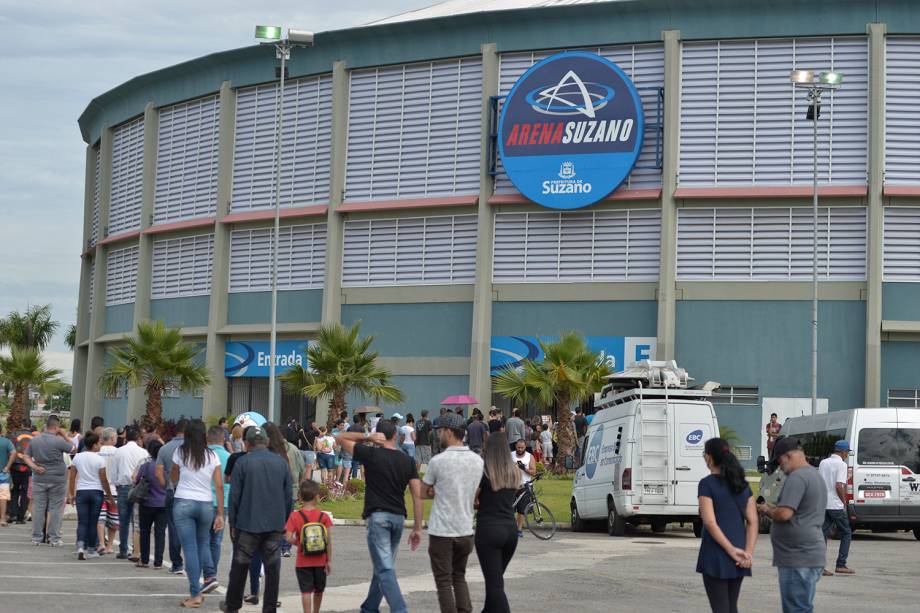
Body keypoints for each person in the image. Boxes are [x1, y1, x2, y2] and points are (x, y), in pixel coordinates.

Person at [335, 420, 424, 613]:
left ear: (379, 436)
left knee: (384, 568)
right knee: (383, 565)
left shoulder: (371, 454)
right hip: (398, 517)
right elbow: (418, 494)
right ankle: (369, 608)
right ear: (395, 436)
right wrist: (417, 527)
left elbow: (340, 437)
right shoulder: (406, 461)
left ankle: (400, 609)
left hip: (378, 517)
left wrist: (367, 436)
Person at [222, 426, 292, 613]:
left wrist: (234, 524)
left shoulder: (243, 463)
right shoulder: (281, 463)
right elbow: (288, 495)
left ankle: (233, 604)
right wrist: (283, 520)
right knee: (272, 567)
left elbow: (234, 496)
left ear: (247, 443)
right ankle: (269, 608)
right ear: (267, 442)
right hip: (274, 524)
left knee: (240, 565)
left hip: (248, 523)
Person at [421, 411, 483, 613]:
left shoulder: (437, 461)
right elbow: (474, 493)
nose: (438, 435)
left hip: (442, 530)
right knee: (459, 576)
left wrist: (436, 491)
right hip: (465, 529)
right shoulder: (477, 461)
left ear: (448, 431)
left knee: (443, 581)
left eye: (439, 431)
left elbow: (424, 492)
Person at [757, 438, 827, 613]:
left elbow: (784, 513)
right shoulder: (814, 475)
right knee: (802, 607)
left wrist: (766, 510)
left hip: (797, 557)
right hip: (809, 554)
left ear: (788, 456)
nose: (780, 467)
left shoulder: (797, 477)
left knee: (796, 609)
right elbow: (801, 511)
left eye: (780, 462)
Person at [697, 438, 758, 613]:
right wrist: (748, 553)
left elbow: (709, 521)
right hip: (740, 553)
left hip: (717, 553)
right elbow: (753, 521)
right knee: (731, 607)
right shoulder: (742, 485)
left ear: (708, 458)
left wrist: (730, 550)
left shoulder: (707, 484)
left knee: (721, 608)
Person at [170, 419, 225, 607]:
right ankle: (205, 581)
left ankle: (195, 593)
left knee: (190, 548)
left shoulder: (180, 452)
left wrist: (178, 481)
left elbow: (174, 475)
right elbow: (218, 485)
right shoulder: (212, 456)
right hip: (206, 504)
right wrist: (220, 514)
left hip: (184, 501)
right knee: (202, 545)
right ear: (203, 435)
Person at [475, 432, 520, 613]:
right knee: (495, 580)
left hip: (489, 529)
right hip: (510, 530)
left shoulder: (484, 471)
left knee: (495, 586)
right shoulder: (514, 471)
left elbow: (473, 498)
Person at [23, 415, 74, 546]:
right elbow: (74, 448)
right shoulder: (58, 441)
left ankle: (36, 537)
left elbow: (26, 456)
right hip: (58, 479)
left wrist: (34, 467)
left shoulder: (35, 440)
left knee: (38, 507)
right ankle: (54, 538)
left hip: (39, 477)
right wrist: (65, 435)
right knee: (56, 508)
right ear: (56, 427)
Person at [284, 479, 333, 613]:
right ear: (317, 496)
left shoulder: (295, 516)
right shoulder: (323, 517)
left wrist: (299, 543)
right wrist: (328, 560)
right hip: (320, 560)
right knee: (319, 590)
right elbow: (328, 540)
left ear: (300, 496)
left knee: (306, 591)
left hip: (302, 561)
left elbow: (287, 537)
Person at [67, 431, 114, 559]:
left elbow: (72, 477)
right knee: (93, 522)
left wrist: (71, 493)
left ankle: (80, 546)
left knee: (82, 521)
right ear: (93, 445)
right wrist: (109, 495)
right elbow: (103, 479)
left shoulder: (77, 457)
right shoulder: (99, 459)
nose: (100, 445)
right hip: (96, 492)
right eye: (99, 443)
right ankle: (92, 549)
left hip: (81, 492)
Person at [111, 425, 148, 560]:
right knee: (137, 521)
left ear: (126, 437)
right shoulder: (143, 452)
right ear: (138, 438)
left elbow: (114, 473)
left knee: (123, 520)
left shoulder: (119, 451)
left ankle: (123, 549)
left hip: (123, 487)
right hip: (138, 488)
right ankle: (136, 549)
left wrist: (117, 485)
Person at [156, 417, 188, 574]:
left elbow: (158, 472)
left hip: (171, 490)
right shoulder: (193, 448)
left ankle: (176, 563)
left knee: (173, 527)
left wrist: (165, 484)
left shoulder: (165, 448)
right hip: (190, 491)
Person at [819, 440, 854, 576]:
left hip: (823, 504)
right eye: (847, 452)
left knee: (822, 534)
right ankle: (841, 564)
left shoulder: (823, 463)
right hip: (836, 505)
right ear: (843, 451)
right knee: (846, 533)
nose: (847, 455)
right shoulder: (842, 465)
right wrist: (844, 501)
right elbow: (839, 485)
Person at [204, 426, 231, 586]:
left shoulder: (203, 457)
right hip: (223, 503)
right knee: (216, 541)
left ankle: (207, 574)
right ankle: (212, 573)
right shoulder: (229, 457)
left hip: (205, 501)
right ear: (223, 440)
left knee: (203, 539)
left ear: (207, 439)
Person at [136, 439, 168, 569]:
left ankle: (144, 560)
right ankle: (158, 562)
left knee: (145, 531)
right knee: (160, 532)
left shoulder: (146, 466)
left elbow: (137, 480)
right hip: (163, 503)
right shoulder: (166, 467)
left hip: (147, 502)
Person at [96, 427, 120, 555]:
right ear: (112, 438)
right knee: (114, 520)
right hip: (114, 490)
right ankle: (110, 545)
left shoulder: (97, 451)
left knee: (100, 518)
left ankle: (101, 543)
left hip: (99, 489)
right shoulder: (118, 452)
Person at [8, 418, 34, 524]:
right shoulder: (35, 437)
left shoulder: (13, 435)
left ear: (22, 424)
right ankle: (21, 517)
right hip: (28, 466)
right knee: (25, 492)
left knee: (14, 491)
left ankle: (13, 514)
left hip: (15, 466)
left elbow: (10, 450)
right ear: (30, 425)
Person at [511, 438, 536, 538]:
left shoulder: (529, 457)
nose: (520, 449)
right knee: (510, 509)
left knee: (522, 510)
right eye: (518, 447)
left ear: (525, 447)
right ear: (515, 447)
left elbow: (533, 472)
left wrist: (524, 468)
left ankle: (519, 529)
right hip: (512, 486)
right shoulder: (510, 455)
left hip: (524, 486)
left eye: (522, 448)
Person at [0, 421, 17, 526]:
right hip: (3, 473)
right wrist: (7, 466)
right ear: (1, 431)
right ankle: (2, 519)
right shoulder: (6, 442)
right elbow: (14, 453)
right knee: (3, 497)